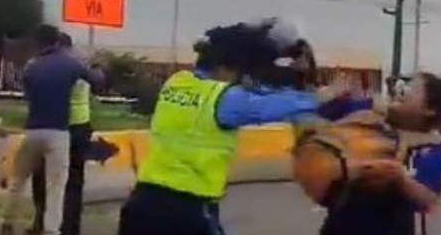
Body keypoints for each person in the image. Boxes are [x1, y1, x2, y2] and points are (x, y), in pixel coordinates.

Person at [116, 19, 353, 235]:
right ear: (225, 68)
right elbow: (268, 106)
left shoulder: (176, 83)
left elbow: (257, 93)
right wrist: (324, 96)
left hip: (141, 204)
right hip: (187, 211)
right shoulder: (225, 99)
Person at [304, 71, 441, 235]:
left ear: (429, 109)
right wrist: (331, 95)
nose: (399, 92)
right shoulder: (369, 114)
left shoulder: (434, 147)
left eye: (409, 90)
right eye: (401, 86)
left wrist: (401, 180)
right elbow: (322, 113)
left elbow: (428, 200)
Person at [0, 25, 103, 235]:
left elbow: (28, 94)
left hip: (33, 130)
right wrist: (99, 69)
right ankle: (51, 230)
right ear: (58, 42)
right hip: (59, 132)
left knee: (18, 180)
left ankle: (7, 222)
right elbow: (96, 81)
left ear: (38, 43)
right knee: (56, 185)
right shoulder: (71, 64)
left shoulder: (31, 66)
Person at [29, 33, 103, 235]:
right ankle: (71, 227)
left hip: (57, 126)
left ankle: (41, 222)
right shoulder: (81, 65)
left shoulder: (55, 66)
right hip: (80, 126)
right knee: (74, 181)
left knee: (43, 178)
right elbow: (99, 85)